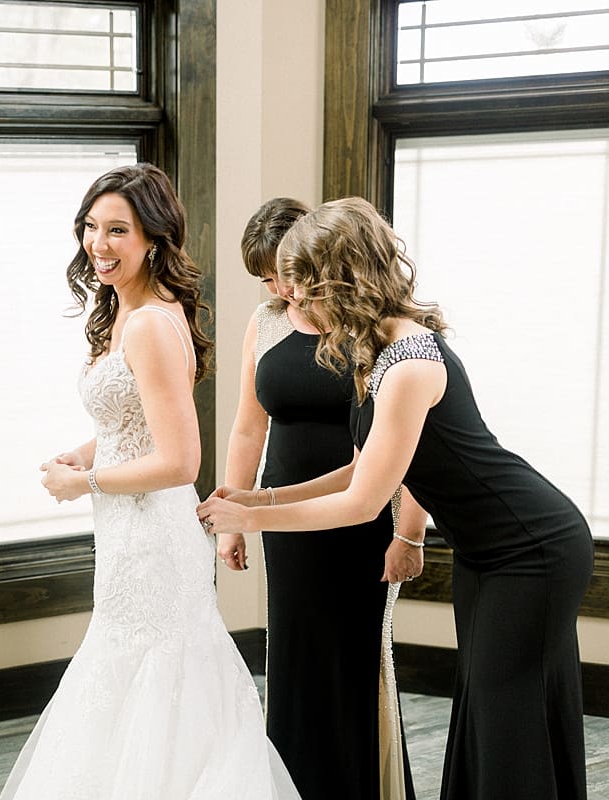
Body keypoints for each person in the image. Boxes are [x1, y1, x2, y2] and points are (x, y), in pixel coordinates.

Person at [199, 196, 594, 800]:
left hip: (532, 547)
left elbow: (362, 501)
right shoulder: (374, 350)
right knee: (484, 715)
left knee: (503, 712)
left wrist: (250, 514)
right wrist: (257, 503)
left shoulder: (410, 360)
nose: (295, 304)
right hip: (485, 551)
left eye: (306, 290)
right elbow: (357, 467)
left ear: (345, 278)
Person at [0, 164, 300, 800]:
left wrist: (87, 484)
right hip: (126, 529)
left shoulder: (150, 325)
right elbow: (129, 420)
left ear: (153, 240)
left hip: (152, 534)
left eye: (117, 230)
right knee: (126, 669)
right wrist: (82, 456)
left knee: (156, 671)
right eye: (90, 228)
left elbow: (181, 460)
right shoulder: (123, 313)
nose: (98, 245)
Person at [215, 197, 420, 800]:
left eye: (283, 271)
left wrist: (410, 532)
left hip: (362, 514)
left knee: (354, 658)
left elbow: (410, 448)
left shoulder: (361, 325)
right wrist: (238, 517)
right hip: (283, 516)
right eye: (266, 277)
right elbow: (249, 426)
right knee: (295, 656)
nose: (278, 287)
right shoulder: (267, 320)